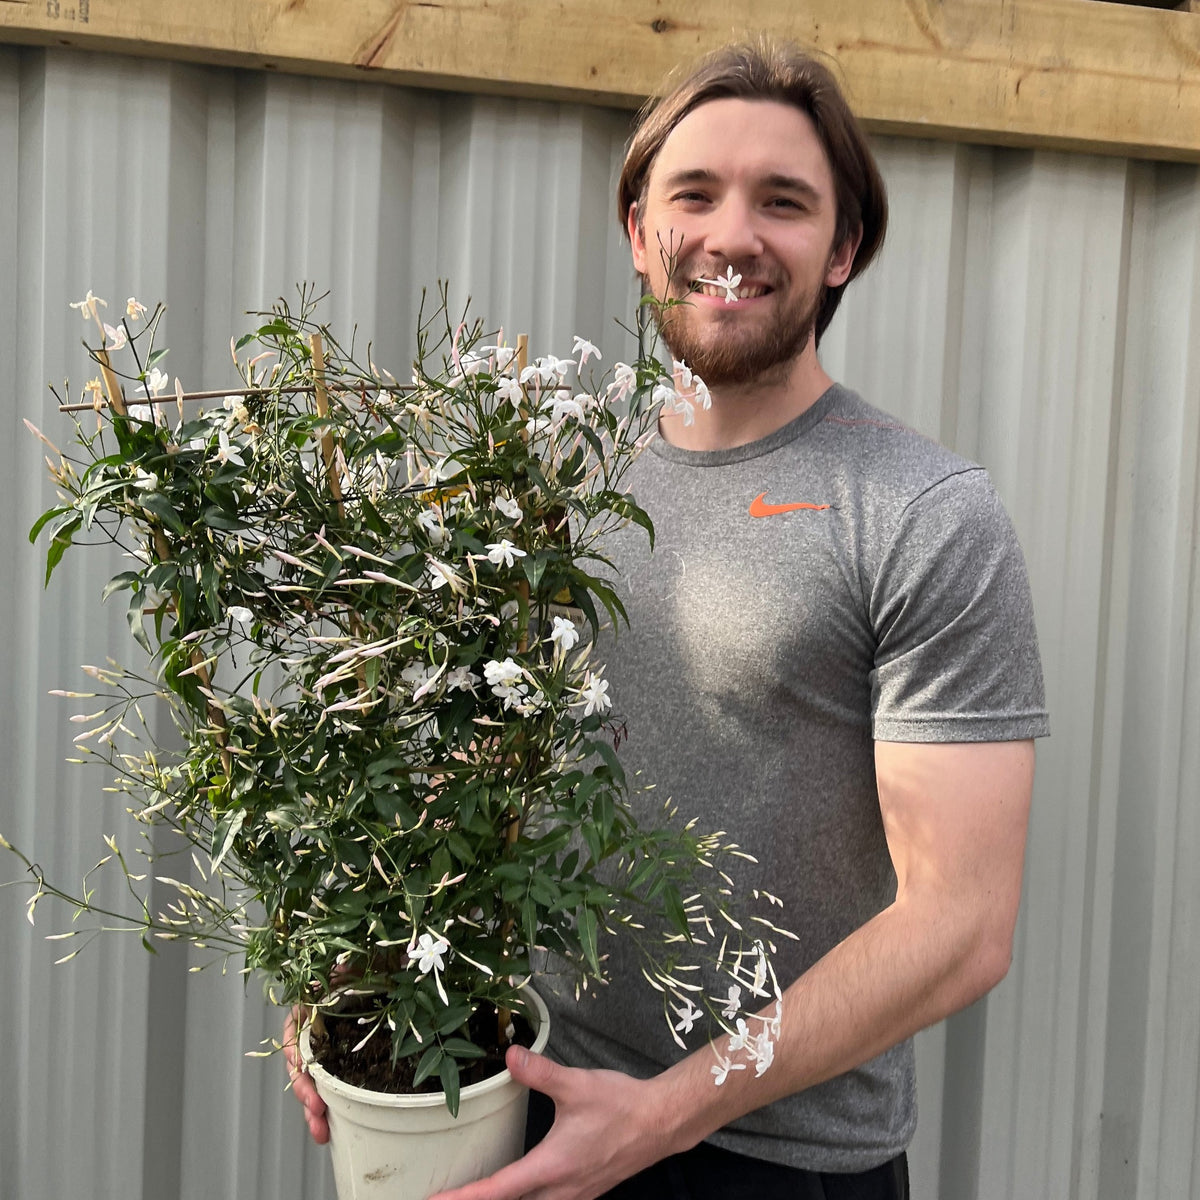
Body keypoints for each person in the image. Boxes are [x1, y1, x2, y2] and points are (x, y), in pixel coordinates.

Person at [287, 39, 1050, 1200]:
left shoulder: (923, 514)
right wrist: (370, 972)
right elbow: (485, 766)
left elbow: (960, 925)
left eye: (783, 203)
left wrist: (660, 1119)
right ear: (641, 229)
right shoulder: (552, 482)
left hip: (775, 1161)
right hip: (521, 1093)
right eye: (692, 194)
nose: (731, 237)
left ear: (844, 246)